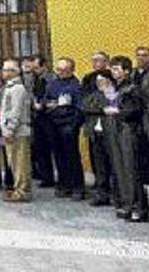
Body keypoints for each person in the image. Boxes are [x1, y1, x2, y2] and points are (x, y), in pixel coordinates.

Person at [107, 56, 149, 222]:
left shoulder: (133, 88)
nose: (114, 71)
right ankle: (127, 204)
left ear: (126, 71)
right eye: (112, 68)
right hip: (117, 130)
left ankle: (139, 208)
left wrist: (117, 111)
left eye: (117, 68)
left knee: (132, 170)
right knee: (120, 169)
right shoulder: (115, 88)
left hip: (130, 130)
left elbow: (135, 110)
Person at [44, 57, 85, 200]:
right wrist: (49, 105)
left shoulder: (76, 86)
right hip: (53, 123)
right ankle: (63, 184)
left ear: (71, 70)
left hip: (68, 125)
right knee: (58, 156)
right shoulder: (52, 84)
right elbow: (46, 101)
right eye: (58, 69)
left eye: (64, 70)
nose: (60, 72)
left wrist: (73, 126)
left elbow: (80, 108)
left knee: (72, 156)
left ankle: (77, 187)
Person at [82, 70, 119, 207]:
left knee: (114, 165)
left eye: (102, 81)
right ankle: (102, 193)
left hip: (111, 134)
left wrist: (102, 109)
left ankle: (117, 194)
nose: (99, 84)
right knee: (99, 166)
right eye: (98, 82)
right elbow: (86, 107)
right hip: (96, 133)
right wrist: (102, 110)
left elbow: (115, 109)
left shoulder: (114, 93)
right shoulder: (94, 95)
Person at [0, 60, 32, 203]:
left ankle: (23, 190)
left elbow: (16, 111)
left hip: (17, 131)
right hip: (10, 130)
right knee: (13, 161)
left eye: (6, 70)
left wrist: (10, 129)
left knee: (20, 162)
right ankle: (18, 188)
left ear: (14, 72)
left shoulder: (18, 88)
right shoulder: (10, 87)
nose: (3, 72)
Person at [30, 54, 57, 187]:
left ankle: (60, 178)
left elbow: (53, 96)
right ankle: (46, 177)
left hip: (49, 117)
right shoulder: (34, 79)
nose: (34, 70)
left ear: (44, 66)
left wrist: (43, 104)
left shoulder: (51, 79)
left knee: (55, 148)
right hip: (37, 117)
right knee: (40, 148)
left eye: (37, 67)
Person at [133, 47, 149, 157]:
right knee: (140, 152)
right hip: (136, 119)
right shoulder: (131, 74)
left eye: (145, 55)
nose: (141, 58)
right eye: (138, 55)